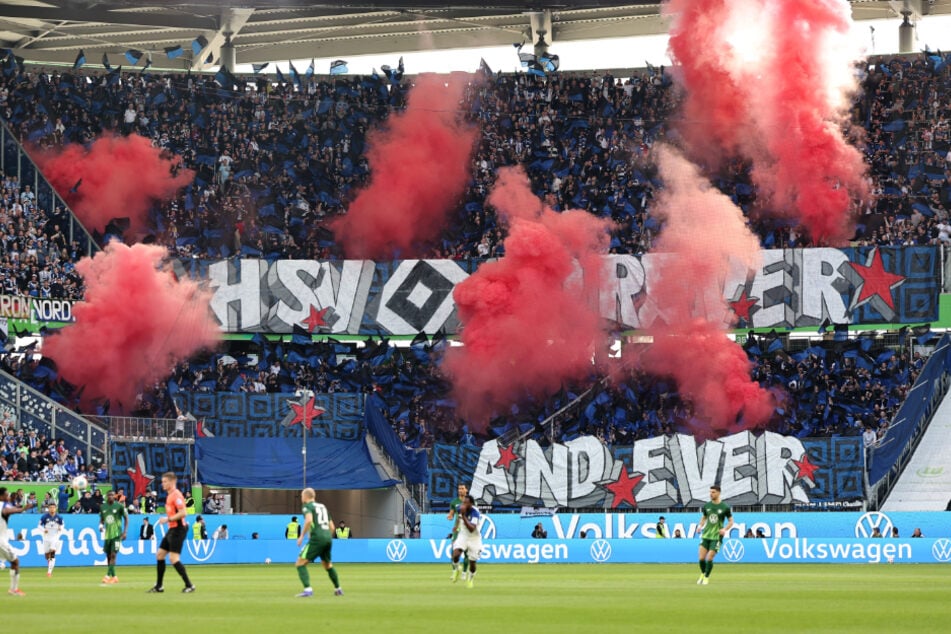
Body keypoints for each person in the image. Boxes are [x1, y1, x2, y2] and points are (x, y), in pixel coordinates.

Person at [148, 472, 195, 593]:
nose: (162, 484)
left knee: (173, 558)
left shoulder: (176, 495)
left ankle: (189, 585)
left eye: (165, 481)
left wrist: (167, 519)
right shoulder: (169, 496)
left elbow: (183, 512)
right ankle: (159, 586)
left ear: (172, 482)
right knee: (159, 555)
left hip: (179, 529)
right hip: (172, 529)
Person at [294, 487, 343, 598]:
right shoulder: (323, 507)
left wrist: (301, 536)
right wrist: (326, 537)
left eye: (302, 496)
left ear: (306, 496)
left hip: (317, 538)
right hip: (327, 538)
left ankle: (308, 590)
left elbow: (309, 520)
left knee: (300, 563)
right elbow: (332, 527)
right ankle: (338, 589)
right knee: (327, 565)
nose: (301, 498)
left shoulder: (307, 507)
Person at [0, 486, 34, 595]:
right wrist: (23, 509)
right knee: (15, 562)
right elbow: (7, 511)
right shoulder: (3, 506)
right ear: (1, 496)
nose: (8, 496)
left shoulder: (6, 504)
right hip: (0, 541)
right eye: (6, 494)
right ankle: (13, 589)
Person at [697, 484, 733, 586]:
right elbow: (704, 517)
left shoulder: (725, 507)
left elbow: (731, 521)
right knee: (701, 558)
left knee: (710, 557)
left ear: (718, 493)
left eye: (713, 492)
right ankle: (703, 574)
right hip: (706, 535)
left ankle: (706, 578)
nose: (711, 494)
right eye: (710, 492)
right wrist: (700, 526)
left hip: (717, 537)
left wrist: (725, 529)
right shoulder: (707, 506)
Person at [450, 495, 481, 588]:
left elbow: (472, 528)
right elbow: (458, 517)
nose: (464, 504)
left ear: (471, 504)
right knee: (455, 555)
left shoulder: (475, 513)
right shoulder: (460, 508)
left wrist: (463, 516)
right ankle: (456, 569)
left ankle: (470, 578)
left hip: (474, 538)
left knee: (472, 563)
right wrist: (456, 526)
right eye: (463, 502)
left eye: (466, 503)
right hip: (463, 535)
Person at [99, 489, 128, 585]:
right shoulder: (103, 507)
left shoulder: (119, 506)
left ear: (114, 496)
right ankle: (114, 577)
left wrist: (124, 532)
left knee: (113, 555)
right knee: (108, 556)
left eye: (112, 495)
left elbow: (126, 518)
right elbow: (102, 519)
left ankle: (107, 576)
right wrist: (101, 525)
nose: (111, 496)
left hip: (117, 535)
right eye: (109, 495)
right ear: (107, 496)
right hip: (107, 535)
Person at [447, 483, 469, 578]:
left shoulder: (471, 502)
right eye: (459, 489)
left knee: (467, 553)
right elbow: (451, 514)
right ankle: (455, 570)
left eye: (462, 488)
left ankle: (464, 572)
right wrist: (450, 516)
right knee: (453, 552)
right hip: (457, 530)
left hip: (467, 530)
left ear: (466, 490)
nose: (460, 490)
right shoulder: (454, 502)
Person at [38, 502, 64, 577]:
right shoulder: (44, 517)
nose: (52, 509)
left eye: (53, 507)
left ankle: (49, 572)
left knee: (52, 552)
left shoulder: (59, 517)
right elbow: (38, 525)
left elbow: (62, 525)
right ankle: (49, 563)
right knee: (47, 555)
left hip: (55, 537)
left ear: (56, 508)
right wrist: (43, 530)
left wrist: (60, 528)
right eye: (51, 507)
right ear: (48, 508)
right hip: (46, 537)